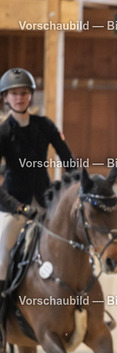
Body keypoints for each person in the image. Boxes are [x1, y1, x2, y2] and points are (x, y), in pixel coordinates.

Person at [0, 67, 76, 312]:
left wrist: (75, 188)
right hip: (14, 205)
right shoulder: (3, 132)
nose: (19, 98)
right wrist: (19, 207)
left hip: (46, 201)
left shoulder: (44, 125)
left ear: (30, 95)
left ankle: (80, 303)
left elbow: (69, 161)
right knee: (2, 256)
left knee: (73, 243)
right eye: (14, 94)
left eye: (24, 93)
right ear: (6, 97)